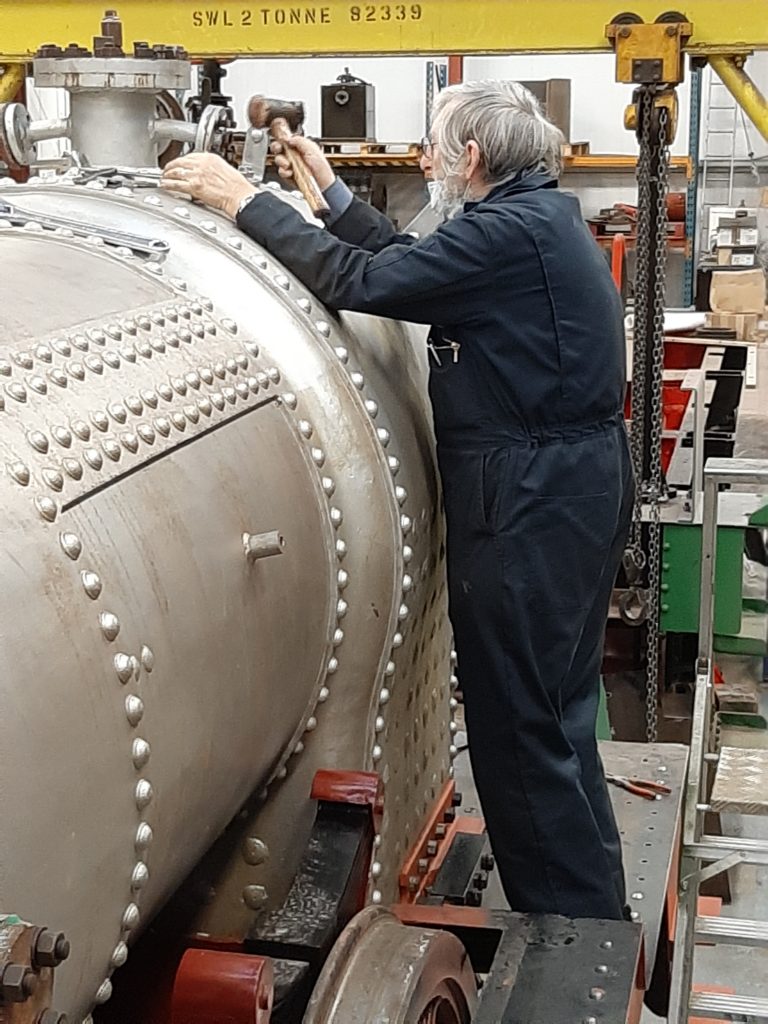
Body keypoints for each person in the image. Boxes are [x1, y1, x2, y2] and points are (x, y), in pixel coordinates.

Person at [161, 80, 634, 921]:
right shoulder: (536, 220)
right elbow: (404, 270)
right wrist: (329, 194)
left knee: (521, 730)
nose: (422, 158)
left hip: (530, 500)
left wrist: (242, 203)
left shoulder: (506, 234)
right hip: (565, 485)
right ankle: (592, 914)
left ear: (472, 158)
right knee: (556, 721)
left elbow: (358, 279)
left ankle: (566, 943)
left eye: (432, 145)